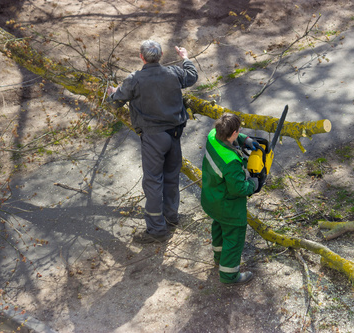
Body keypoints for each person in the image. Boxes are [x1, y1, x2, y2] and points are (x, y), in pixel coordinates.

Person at [107, 40, 198, 243]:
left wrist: (112, 94)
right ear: (162, 55)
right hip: (175, 134)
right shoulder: (173, 73)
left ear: (141, 57)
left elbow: (116, 102)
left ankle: (157, 230)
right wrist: (185, 58)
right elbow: (192, 76)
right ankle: (171, 217)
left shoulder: (134, 80)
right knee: (172, 177)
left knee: (153, 182)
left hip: (153, 138)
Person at [201, 113, 260, 285]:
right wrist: (253, 185)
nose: (240, 132)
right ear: (233, 132)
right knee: (234, 237)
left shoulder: (213, 136)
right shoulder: (231, 162)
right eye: (239, 132)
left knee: (219, 227)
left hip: (212, 198)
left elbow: (228, 135)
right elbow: (238, 189)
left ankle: (219, 258)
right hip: (228, 206)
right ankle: (229, 275)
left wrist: (245, 140)